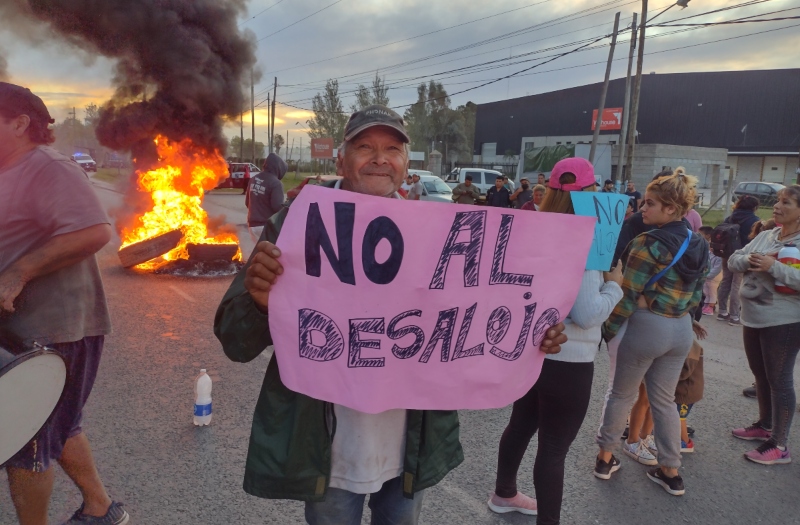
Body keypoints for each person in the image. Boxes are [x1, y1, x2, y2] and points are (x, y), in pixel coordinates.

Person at [213, 104, 569, 525]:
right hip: (330, 453)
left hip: (409, 451)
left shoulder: (446, 231)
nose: (380, 158)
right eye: (365, 146)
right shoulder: (297, 224)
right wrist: (258, 300)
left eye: (392, 148)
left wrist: (532, 336)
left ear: (405, 162)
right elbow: (235, 341)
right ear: (341, 158)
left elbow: (481, 317)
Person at [0, 82, 128, 525]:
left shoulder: (47, 168)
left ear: (19, 123)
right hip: (19, 327)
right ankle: (101, 507)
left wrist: (19, 272)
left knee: (25, 442)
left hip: (56, 329)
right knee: (60, 423)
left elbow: (95, 231)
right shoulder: (7, 170)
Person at [488, 157, 623, 523]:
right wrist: (616, 284)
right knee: (553, 448)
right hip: (570, 360)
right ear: (590, 193)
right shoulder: (581, 240)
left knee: (520, 425)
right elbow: (588, 312)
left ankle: (504, 492)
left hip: (532, 354)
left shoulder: (533, 230)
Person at [595, 168, 709, 496]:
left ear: (670, 209)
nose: (641, 209)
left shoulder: (648, 243)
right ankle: (671, 471)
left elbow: (626, 295)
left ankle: (605, 458)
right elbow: (696, 295)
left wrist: (607, 331)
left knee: (621, 394)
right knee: (664, 400)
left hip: (648, 328)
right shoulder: (698, 242)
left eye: (650, 204)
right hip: (680, 330)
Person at [727, 185, 800, 465]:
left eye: (787, 203)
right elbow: (735, 259)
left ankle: (779, 445)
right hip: (753, 317)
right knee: (760, 374)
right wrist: (750, 259)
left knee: (780, 380)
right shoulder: (768, 234)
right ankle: (765, 424)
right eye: (778, 201)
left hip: (784, 321)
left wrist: (773, 266)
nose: (777, 207)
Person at [716, 195, 760, 326]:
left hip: (727, 253)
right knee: (737, 285)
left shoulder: (730, 217)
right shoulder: (754, 220)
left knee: (725, 281)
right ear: (754, 207)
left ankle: (722, 311)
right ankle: (734, 316)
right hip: (742, 256)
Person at [246, 152, 288, 241]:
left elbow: (247, 203)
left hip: (252, 226)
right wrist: (287, 207)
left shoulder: (253, 179)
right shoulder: (276, 183)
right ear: (279, 168)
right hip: (266, 226)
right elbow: (277, 207)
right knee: (273, 253)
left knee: (259, 252)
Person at [698, 226, 723, 315]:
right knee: (706, 291)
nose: (711, 248)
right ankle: (706, 304)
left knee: (712, 292)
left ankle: (711, 307)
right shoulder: (709, 253)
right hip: (707, 277)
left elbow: (717, 269)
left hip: (714, 278)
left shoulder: (719, 257)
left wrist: (708, 275)